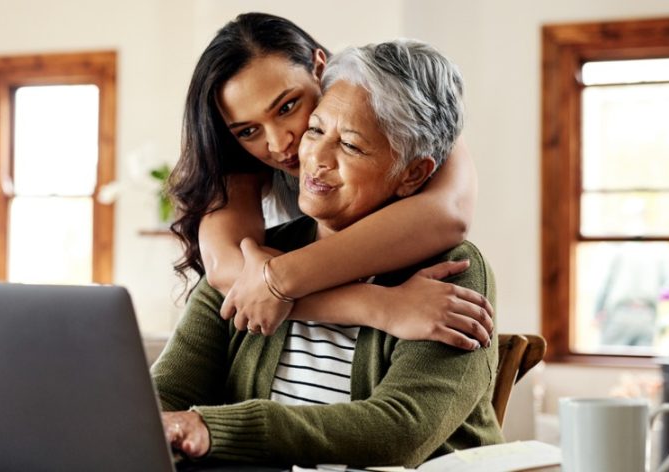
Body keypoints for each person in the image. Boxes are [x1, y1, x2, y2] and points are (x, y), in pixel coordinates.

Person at [153, 39, 503, 468]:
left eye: (352, 146)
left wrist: (213, 428)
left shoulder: (456, 270)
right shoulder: (256, 261)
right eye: (316, 130)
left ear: (413, 174)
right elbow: (163, 395)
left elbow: (399, 432)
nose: (312, 157)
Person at [169, 13, 492, 349]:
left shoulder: (397, 103)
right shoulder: (238, 161)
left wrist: (279, 279)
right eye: (249, 131)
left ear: (319, 68)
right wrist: (379, 306)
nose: (280, 144)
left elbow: (447, 214)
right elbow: (228, 270)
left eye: (287, 107)